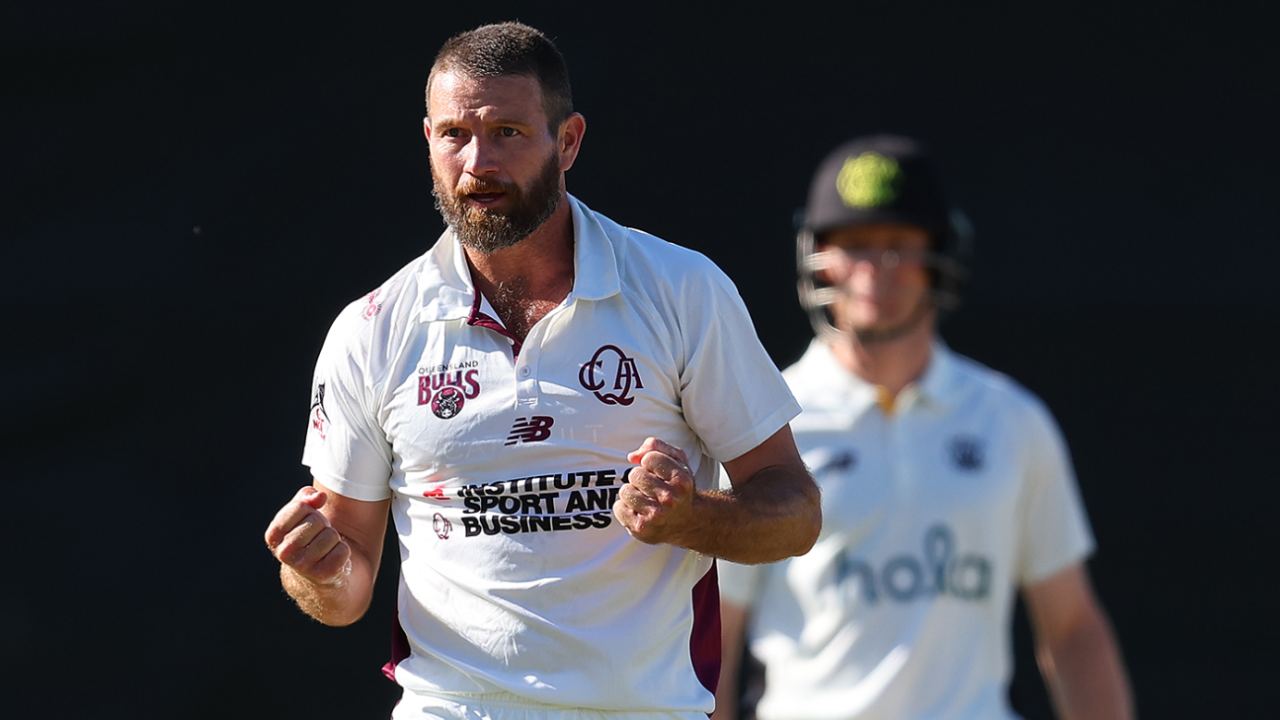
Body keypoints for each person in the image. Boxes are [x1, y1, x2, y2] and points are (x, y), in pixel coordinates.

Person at [263, 22, 821, 720]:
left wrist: (691, 519)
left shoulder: (681, 290)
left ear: (570, 141)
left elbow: (795, 513)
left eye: (508, 132)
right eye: (454, 135)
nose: (477, 163)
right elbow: (347, 590)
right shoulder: (371, 329)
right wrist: (314, 568)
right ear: (427, 140)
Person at [714, 135, 1134, 720]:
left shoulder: (1011, 420)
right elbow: (713, 642)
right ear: (819, 256)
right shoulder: (761, 424)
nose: (874, 269)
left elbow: (1072, 627)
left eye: (898, 244)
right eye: (854, 245)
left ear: (940, 253)